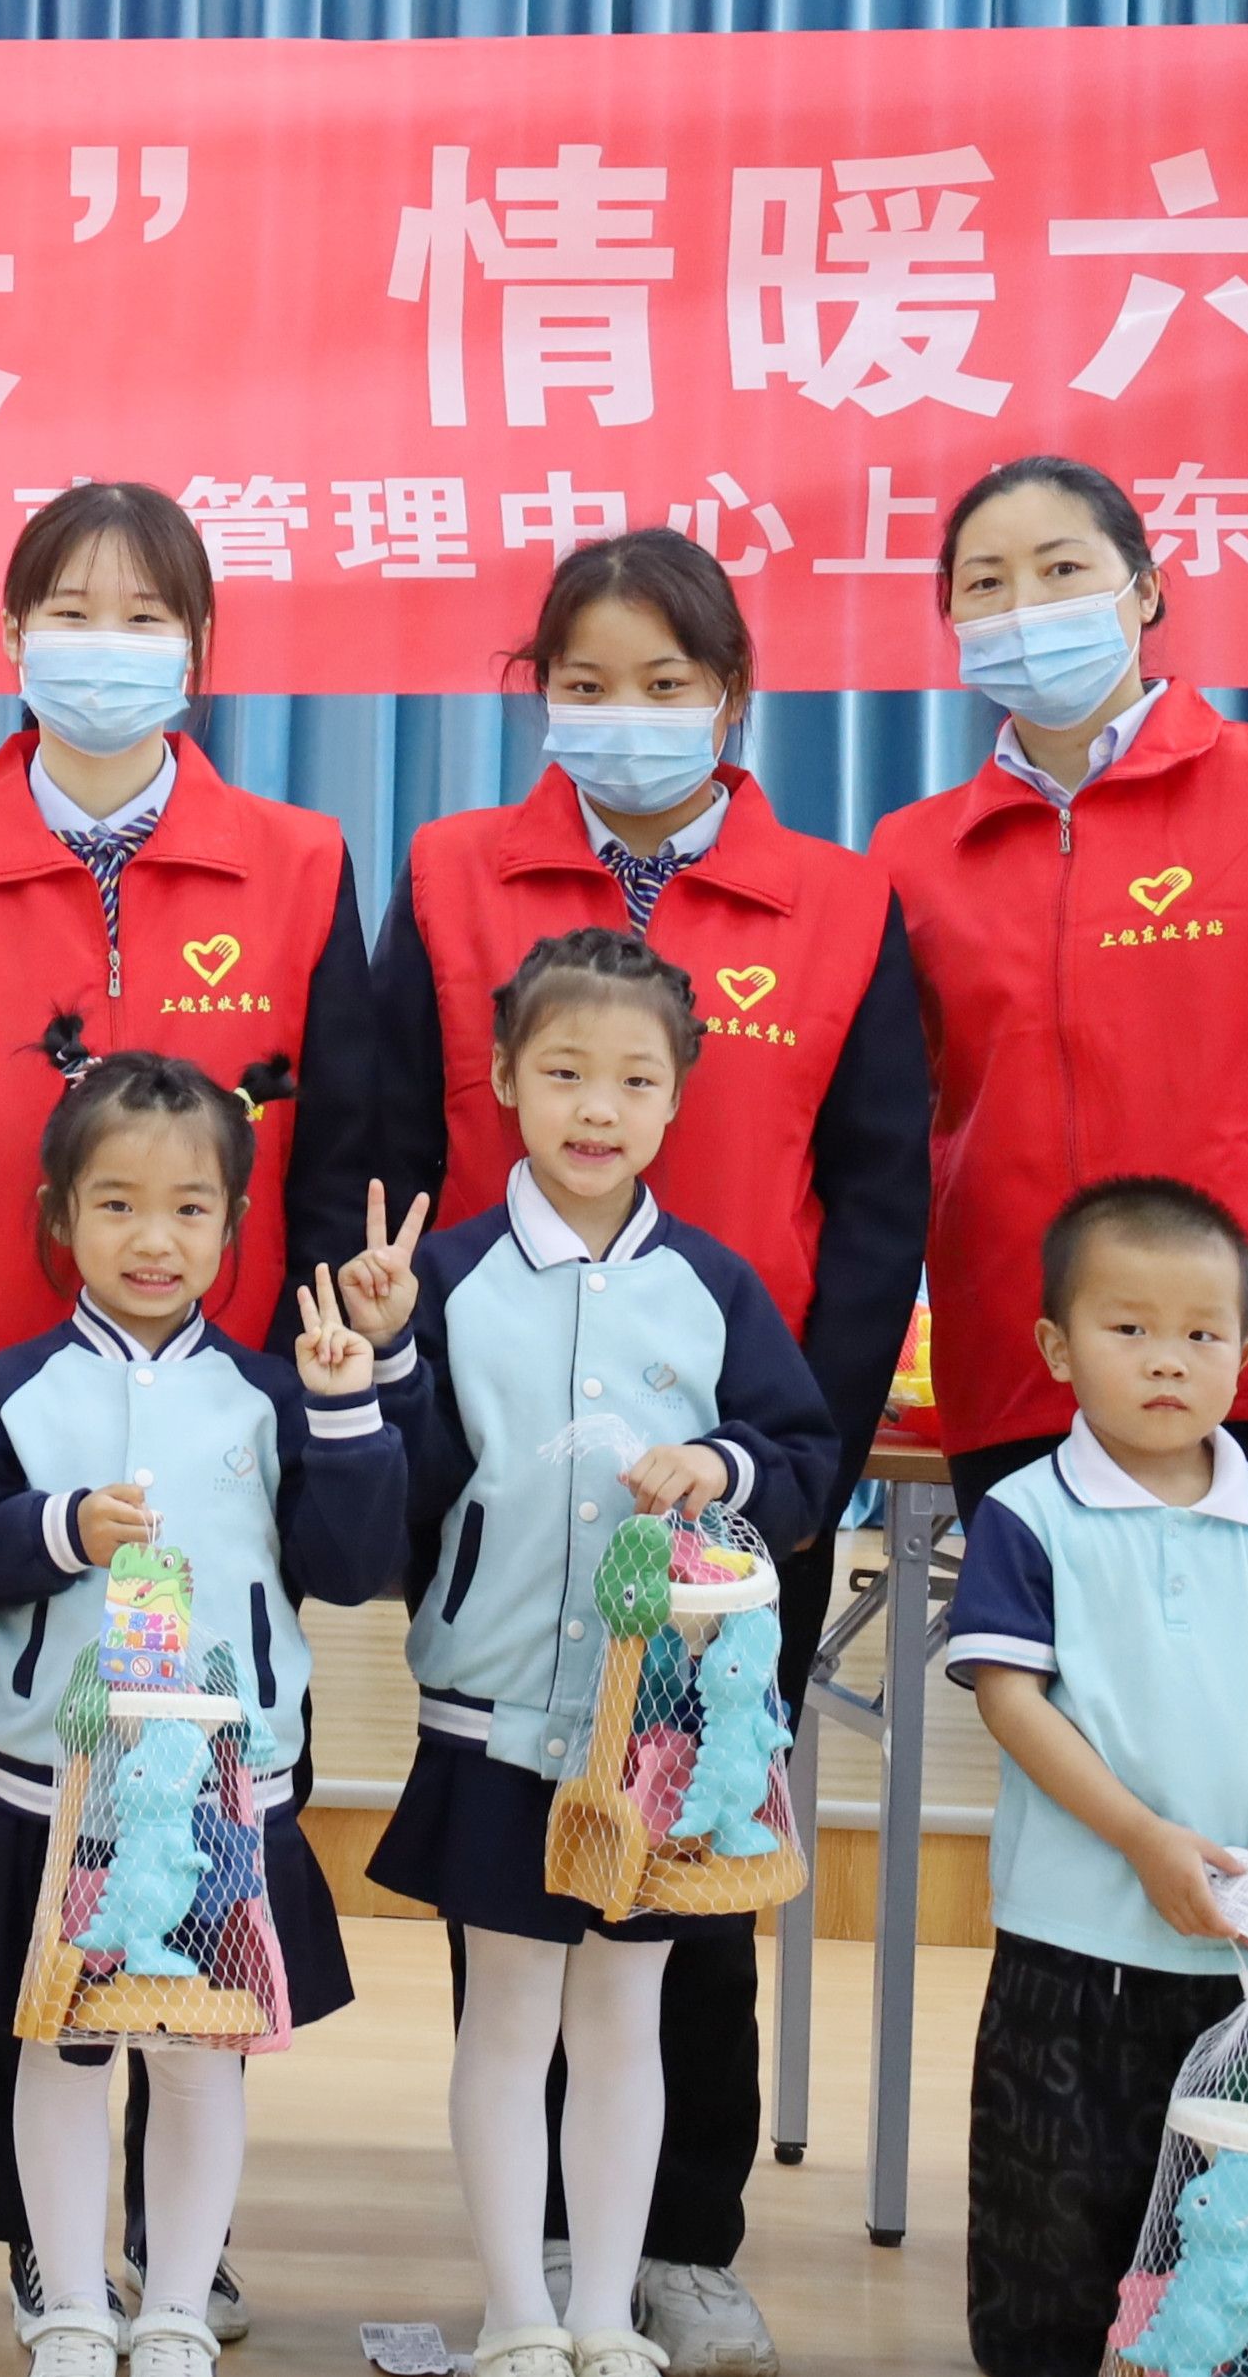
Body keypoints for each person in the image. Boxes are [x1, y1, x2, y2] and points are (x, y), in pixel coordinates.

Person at [0, 478, 385, 2341]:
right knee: (11, 1860)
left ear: (201, 647)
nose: (107, 645)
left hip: (219, 1467)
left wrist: (315, 1410)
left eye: (147, 615)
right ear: (9, 635)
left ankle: (179, 2237)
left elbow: (342, 1169)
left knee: (195, 1846)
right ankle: (43, 2244)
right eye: (72, 608)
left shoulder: (299, 863)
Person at [365, 528, 931, 2377]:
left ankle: (679, 2238)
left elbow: (877, 1204)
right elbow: (382, 1142)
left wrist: (782, 1477)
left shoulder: (840, 902)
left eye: (666, 683)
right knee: (522, 1900)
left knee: (690, 1878)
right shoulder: (449, 875)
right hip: (505, 1490)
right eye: (584, 683)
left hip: (732, 1498)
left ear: (733, 696)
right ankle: (530, 2256)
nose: (625, 715)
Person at [363, 930, 840, 2377]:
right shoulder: (441, 1277)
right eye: (565, 1070)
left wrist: (721, 1461)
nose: (598, 1106)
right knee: (509, 2017)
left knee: (629, 2015)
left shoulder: (714, 1283)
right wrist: (386, 1354)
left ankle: (601, 2313)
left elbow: (804, 1462)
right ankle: (517, 2310)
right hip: (494, 1710)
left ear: (679, 1097)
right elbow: (402, 1493)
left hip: (657, 1735)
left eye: (636, 1079)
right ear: (504, 1076)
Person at [0, 1045, 407, 2377]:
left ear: (234, 1224)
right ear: (59, 1215)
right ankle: (74, 2299)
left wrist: (349, 1405)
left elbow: (354, 1564)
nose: (153, 1237)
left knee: (200, 2056)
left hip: (223, 1791)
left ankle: (180, 2299)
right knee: (66, 2040)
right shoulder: (14, 1391)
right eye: (117, 1203)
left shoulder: (269, 1390)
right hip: (56, 1787)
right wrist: (57, 1530)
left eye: (189, 1207)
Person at [870, 454, 1248, 1537]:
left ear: (1145, 589)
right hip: (1023, 1377)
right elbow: (892, 1136)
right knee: (1037, 1656)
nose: (1024, 607)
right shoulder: (910, 855)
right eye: (985, 583)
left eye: (1061, 569)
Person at [948, 1176, 1248, 2377]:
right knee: (1049, 2224)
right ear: (1056, 1346)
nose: (1165, 1358)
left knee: (1247, 2245)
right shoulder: (1026, 1516)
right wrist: (1142, 1834)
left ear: (1246, 1353)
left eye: (1200, 1332)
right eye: (1127, 1325)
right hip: (1073, 1937)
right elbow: (1009, 1698)